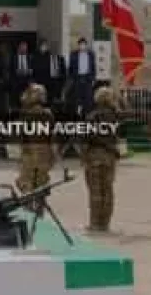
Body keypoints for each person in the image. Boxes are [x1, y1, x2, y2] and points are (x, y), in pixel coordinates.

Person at [82, 87, 121, 233]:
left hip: (95, 156)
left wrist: (83, 155)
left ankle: (95, 223)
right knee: (108, 190)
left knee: (95, 191)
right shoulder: (115, 116)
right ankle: (105, 223)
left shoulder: (92, 116)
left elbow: (87, 137)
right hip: (109, 157)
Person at [15, 84, 56, 208]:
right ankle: (39, 210)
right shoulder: (48, 114)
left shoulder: (25, 115)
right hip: (45, 154)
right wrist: (53, 155)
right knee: (41, 186)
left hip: (29, 154)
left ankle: (28, 209)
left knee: (26, 184)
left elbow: (22, 137)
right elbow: (52, 136)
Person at [68, 37, 96, 116]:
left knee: (88, 97)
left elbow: (93, 67)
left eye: (84, 44)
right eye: (81, 45)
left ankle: (87, 113)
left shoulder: (91, 54)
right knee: (77, 96)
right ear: (78, 45)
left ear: (86, 45)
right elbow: (70, 67)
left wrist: (93, 78)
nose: (82, 46)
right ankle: (78, 113)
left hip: (87, 78)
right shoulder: (73, 54)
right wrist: (72, 77)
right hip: (78, 77)